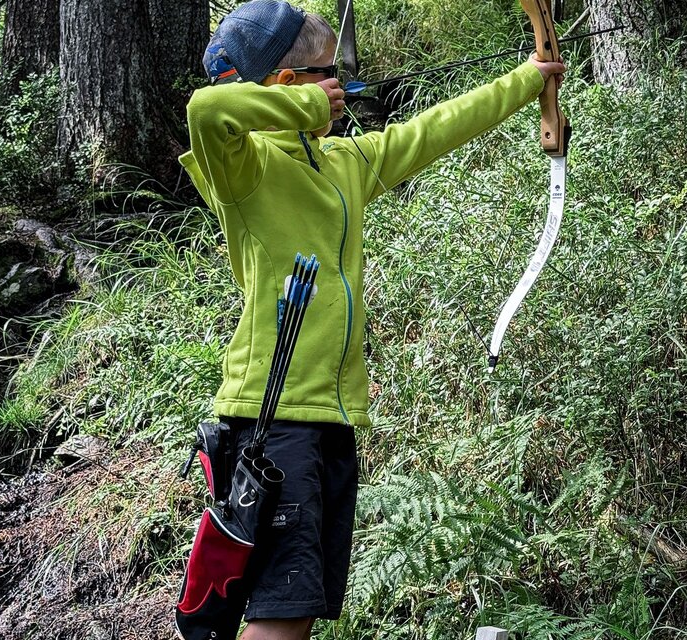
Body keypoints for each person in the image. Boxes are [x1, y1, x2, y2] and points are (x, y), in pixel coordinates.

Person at [179, 1, 565, 638]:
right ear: (284, 85)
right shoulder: (246, 168)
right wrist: (304, 108)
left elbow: (436, 128)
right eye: (330, 73)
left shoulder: (345, 165)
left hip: (329, 420)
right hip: (270, 419)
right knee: (284, 607)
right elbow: (207, 110)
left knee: (297, 609)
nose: (343, 88)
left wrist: (530, 79)